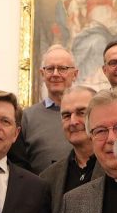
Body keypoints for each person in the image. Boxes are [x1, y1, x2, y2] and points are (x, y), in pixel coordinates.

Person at [38, 85, 97, 213]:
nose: (73, 122)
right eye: (66, 115)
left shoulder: (116, 169)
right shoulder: (48, 177)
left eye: (81, 112)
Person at [20, 45, 79, 174]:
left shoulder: (91, 113)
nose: (55, 74)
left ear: (75, 74)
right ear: (42, 74)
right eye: (50, 69)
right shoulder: (26, 117)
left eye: (62, 69)